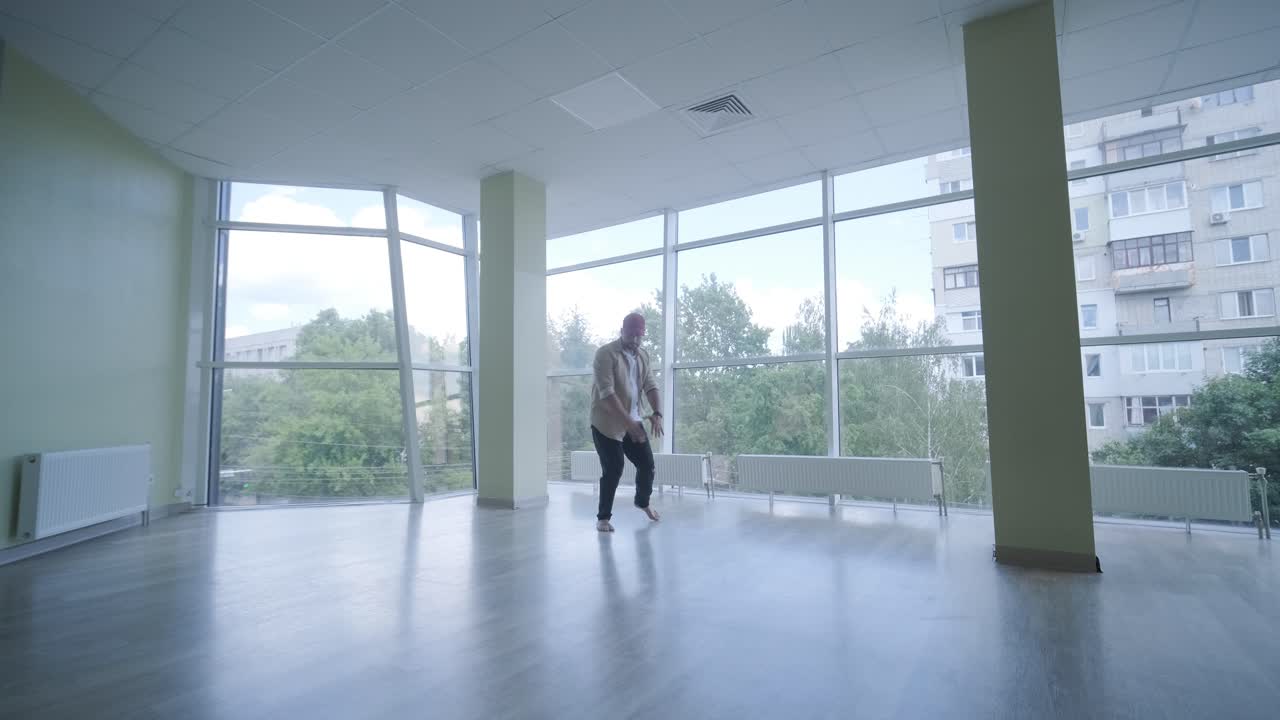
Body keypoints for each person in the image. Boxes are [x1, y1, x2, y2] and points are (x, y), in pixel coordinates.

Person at [590, 312, 664, 532]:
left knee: (647, 465)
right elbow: (607, 392)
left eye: (639, 334)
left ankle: (643, 502)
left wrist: (657, 413)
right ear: (622, 330)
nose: (635, 338)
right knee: (614, 468)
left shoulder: (643, 355)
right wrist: (629, 424)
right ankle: (603, 518)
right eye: (631, 333)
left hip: (633, 419)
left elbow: (651, 386)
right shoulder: (605, 354)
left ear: (643, 334)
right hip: (607, 422)